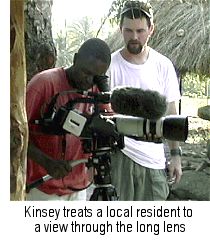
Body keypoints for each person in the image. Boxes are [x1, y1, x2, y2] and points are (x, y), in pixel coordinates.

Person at [108, 1, 182, 200]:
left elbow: (171, 114)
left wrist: (175, 156)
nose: (134, 37)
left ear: (151, 29)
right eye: (128, 30)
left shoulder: (163, 65)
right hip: (119, 157)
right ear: (120, 29)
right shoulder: (109, 66)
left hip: (154, 159)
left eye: (140, 30)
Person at [26, 38, 111, 201]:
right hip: (42, 189)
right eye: (86, 72)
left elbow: (107, 128)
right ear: (75, 58)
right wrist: (46, 162)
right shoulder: (43, 83)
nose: (88, 81)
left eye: (95, 77)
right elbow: (13, 133)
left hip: (78, 189)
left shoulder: (97, 91)